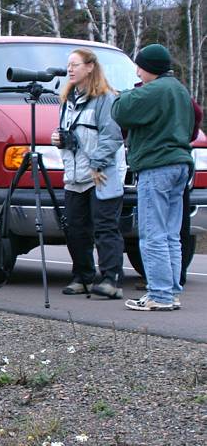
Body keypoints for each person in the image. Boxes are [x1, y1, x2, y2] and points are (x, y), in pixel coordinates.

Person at [112, 44, 194, 311]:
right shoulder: (180, 90)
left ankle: (159, 295)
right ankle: (171, 291)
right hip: (180, 165)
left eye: (139, 66)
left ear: (149, 68)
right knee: (171, 234)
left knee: (152, 234)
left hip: (156, 166)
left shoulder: (153, 90)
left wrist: (121, 95)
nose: (137, 71)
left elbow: (120, 112)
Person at [51, 48, 126, 299]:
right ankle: (82, 276)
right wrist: (59, 139)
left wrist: (96, 164)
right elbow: (72, 134)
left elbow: (111, 135)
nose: (70, 69)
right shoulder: (66, 101)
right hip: (74, 176)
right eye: (68, 65)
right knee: (75, 228)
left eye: (75, 64)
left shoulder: (106, 99)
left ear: (90, 67)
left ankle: (110, 279)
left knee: (105, 227)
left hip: (100, 175)